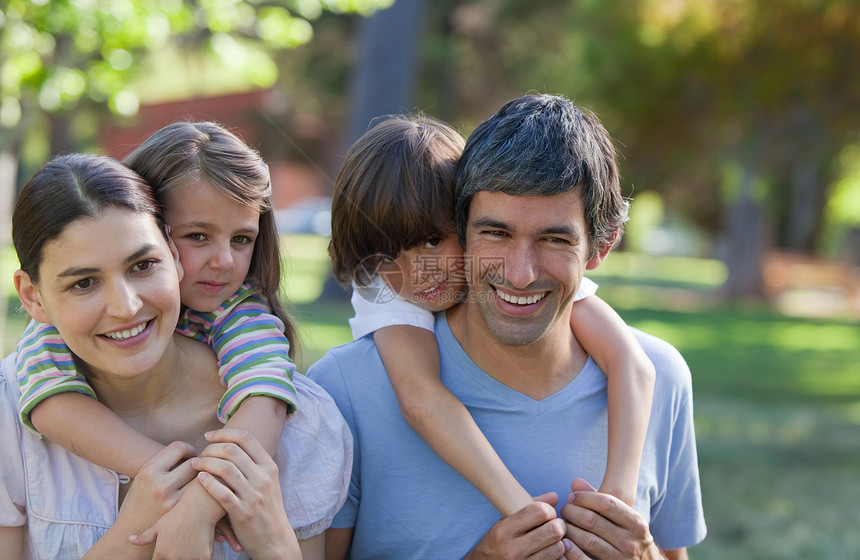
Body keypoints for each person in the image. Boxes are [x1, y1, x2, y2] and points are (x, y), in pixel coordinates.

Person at [310, 94, 706, 559]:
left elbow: (633, 367)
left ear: (601, 246)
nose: (519, 273)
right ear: (467, 223)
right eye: (495, 233)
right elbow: (420, 401)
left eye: (554, 239)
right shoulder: (342, 392)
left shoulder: (664, 377)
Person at [0, 153, 351, 559]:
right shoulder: (11, 412)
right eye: (84, 283)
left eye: (143, 265)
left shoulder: (306, 424)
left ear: (172, 255)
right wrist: (130, 536)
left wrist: (273, 545)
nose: (126, 306)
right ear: (32, 296)